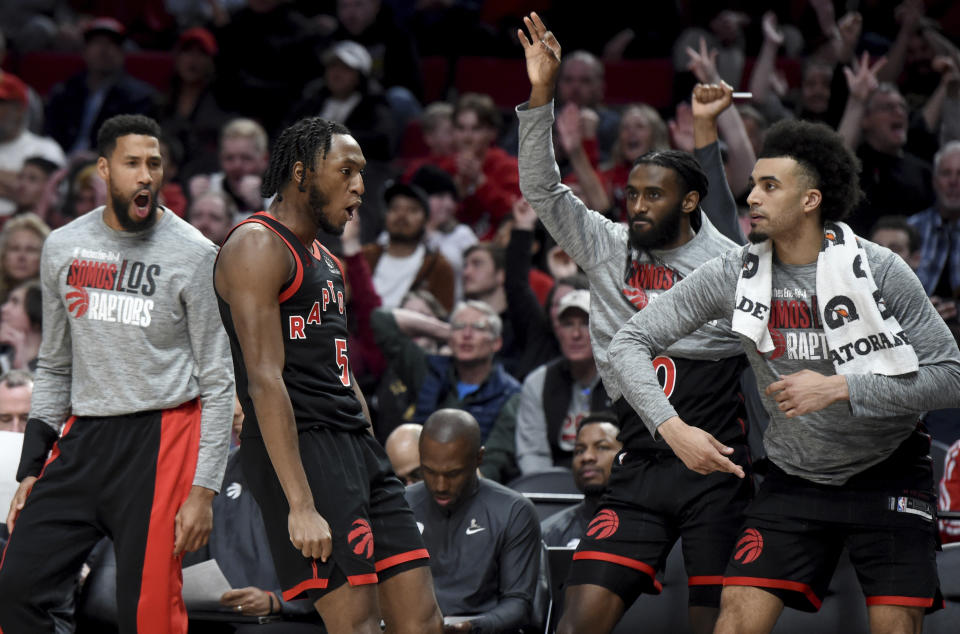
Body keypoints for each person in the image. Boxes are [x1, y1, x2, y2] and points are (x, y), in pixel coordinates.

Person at [607, 113, 960, 633]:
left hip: (887, 470)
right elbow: (628, 342)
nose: (752, 196)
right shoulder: (735, 272)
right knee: (736, 620)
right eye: (753, 185)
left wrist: (840, 386)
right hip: (794, 477)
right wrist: (672, 428)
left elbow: (951, 376)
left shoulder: (881, 269)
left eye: (769, 186)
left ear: (810, 200)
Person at [517, 14, 751, 634]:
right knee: (575, 622)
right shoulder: (606, 243)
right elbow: (542, 190)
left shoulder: (730, 266)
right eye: (634, 194)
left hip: (717, 464)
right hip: (639, 457)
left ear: (691, 201)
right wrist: (542, 95)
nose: (637, 207)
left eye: (654, 196)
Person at [0, 114, 235, 632]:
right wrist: (31, 468)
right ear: (104, 170)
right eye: (132, 163)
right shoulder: (62, 245)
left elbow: (220, 383)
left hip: (163, 436)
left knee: (148, 615)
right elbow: (56, 363)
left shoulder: (196, 254)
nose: (145, 174)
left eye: (154, 163)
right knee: (16, 587)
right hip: (83, 435)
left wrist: (204, 491)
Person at [213, 115, 443, 634]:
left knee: (423, 620)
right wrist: (300, 504)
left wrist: (370, 448)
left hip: (355, 446)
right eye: (347, 171)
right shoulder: (257, 245)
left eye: (362, 173)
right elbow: (265, 381)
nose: (360, 186)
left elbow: (342, 370)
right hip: (305, 449)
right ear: (301, 173)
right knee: (356, 625)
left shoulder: (329, 262)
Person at [405, 409, 542, 633]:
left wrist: (469, 628)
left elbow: (518, 605)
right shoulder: (401, 505)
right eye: (428, 471)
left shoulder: (514, 511)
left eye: (453, 474)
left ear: (479, 458)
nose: (440, 485)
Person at [371, 300, 521, 445]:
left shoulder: (509, 393)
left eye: (478, 327)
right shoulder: (430, 370)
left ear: (496, 342)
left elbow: (494, 460)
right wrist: (444, 331)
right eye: (460, 326)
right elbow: (381, 319)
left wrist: (456, 331)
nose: (466, 334)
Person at [515, 290, 610, 474]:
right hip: (554, 486)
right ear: (557, 332)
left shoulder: (621, 378)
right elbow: (533, 454)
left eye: (585, 323)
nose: (575, 334)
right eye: (567, 324)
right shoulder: (538, 382)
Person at [44, 18, 158, 155]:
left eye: (112, 44)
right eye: (97, 43)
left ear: (122, 53)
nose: (104, 50)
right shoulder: (64, 91)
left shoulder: (139, 97)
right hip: (60, 161)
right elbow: (50, 136)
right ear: (84, 51)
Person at [363, 180, 455, 311]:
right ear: (385, 215)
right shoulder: (365, 256)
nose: (401, 215)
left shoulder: (439, 267)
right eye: (395, 208)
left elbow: (442, 318)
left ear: (425, 220)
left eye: (412, 210)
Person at [540, 413, 622, 548]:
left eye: (602, 447)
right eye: (579, 450)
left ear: (626, 456)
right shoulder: (548, 535)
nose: (587, 457)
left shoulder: (653, 529)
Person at [0, 72, 65, 219]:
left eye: (1, 103)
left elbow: (49, 196)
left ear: (19, 109)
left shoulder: (45, 148)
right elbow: (29, 192)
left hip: (25, 233)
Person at [908, 140, 960, 321]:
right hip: (918, 326)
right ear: (935, 181)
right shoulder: (912, 228)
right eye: (946, 173)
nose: (954, 181)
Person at [190, 118, 271, 216]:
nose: (236, 166)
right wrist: (195, 205)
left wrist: (260, 207)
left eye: (246, 158)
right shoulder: (209, 187)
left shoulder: (281, 194)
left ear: (264, 159)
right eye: (229, 158)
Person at [0, 212, 49, 302]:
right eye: (14, 249)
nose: (21, 257)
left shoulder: (51, 301)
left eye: (30, 250)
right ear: (3, 255)